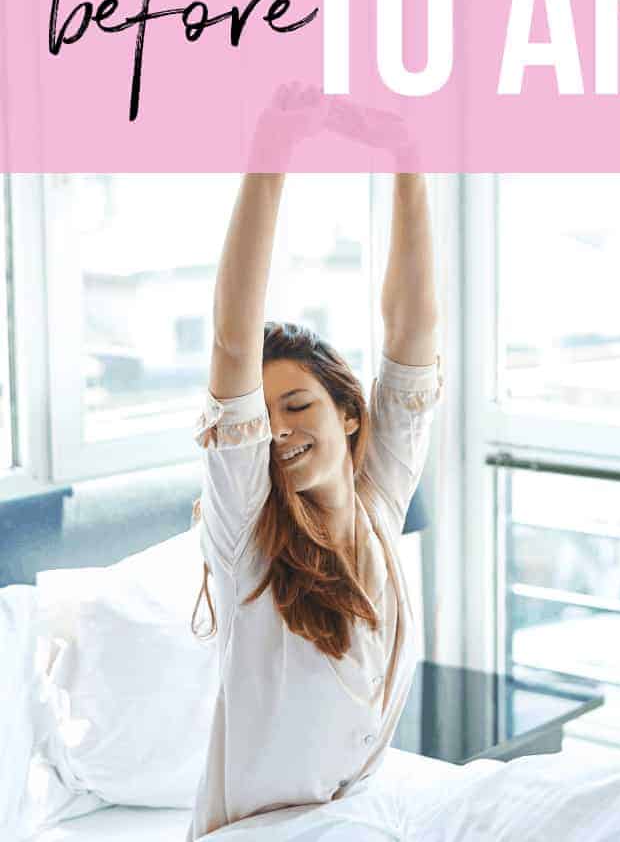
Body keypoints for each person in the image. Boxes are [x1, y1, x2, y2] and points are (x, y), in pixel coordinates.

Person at [186, 169, 442, 840]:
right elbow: (231, 344)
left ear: (351, 413)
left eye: (297, 406)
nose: (276, 430)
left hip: (357, 810)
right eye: (262, 414)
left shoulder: (378, 503)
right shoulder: (245, 536)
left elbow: (411, 331)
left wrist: (409, 166)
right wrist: (268, 168)